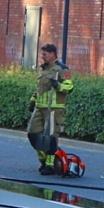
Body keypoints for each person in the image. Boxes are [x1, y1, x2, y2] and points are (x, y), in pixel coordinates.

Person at [27, 43, 74, 174]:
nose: (42, 57)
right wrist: (32, 101)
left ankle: (50, 165)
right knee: (32, 133)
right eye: (42, 54)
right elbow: (39, 88)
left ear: (53, 54)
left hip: (54, 109)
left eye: (45, 54)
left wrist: (58, 85)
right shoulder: (42, 69)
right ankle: (43, 159)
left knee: (51, 137)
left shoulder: (61, 69)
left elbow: (69, 87)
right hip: (39, 108)